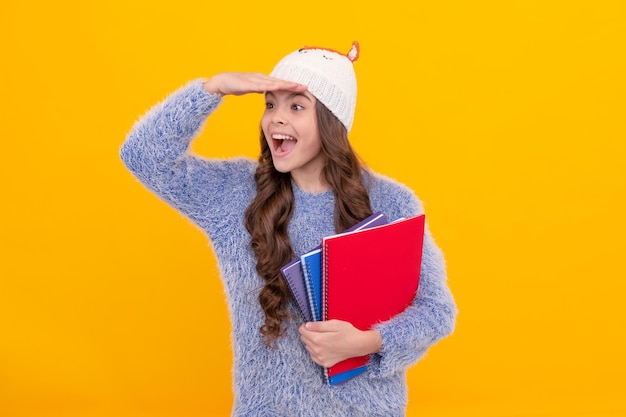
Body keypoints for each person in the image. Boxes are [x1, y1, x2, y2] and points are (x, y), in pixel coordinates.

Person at [120, 41, 457, 417]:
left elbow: (436, 311)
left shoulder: (391, 202)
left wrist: (365, 341)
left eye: (296, 106)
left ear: (332, 121)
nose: (276, 119)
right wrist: (211, 90)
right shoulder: (234, 196)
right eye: (269, 104)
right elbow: (142, 156)